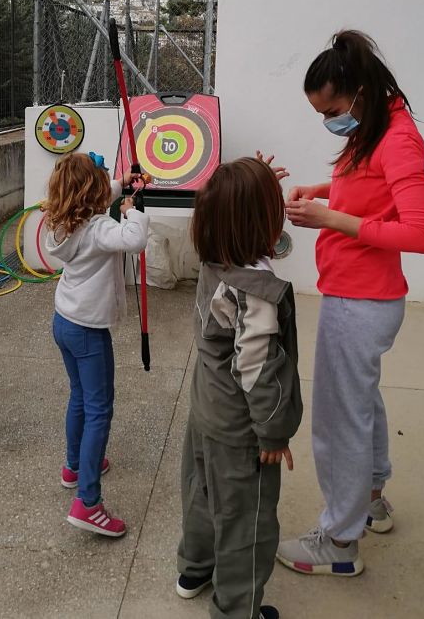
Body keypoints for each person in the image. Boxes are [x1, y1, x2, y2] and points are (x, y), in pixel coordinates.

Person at [276, 30, 424, 577]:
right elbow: (366, 187)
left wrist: (331, 220)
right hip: (359, 296)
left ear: (360, 92)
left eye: (334, 109)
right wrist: (320, 193)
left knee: (339, 421)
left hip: (360, 302)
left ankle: (340, 542)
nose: (329, 121)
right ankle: (370, 498)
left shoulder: (397, 138)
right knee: (361, 402)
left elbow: (420, 233)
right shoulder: (375, 128)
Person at [176, 157, 303, 619]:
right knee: (245, 522)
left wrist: (259, 179)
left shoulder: (215, 262)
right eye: (275, 207)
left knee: (200, 492)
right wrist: (272, 431)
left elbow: (236, 212)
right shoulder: (257, 293)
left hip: (205, 410)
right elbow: (257, 370)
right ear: (261, 223)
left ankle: (194, 568)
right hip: (240, 428)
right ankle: (236, 611)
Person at [44, 151, 149, 538]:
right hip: (88, 331)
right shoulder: (99, 227)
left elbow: (97, 202)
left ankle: (74, 466)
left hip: (65, 321)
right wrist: (133, 207)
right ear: (96, 192)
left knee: (80, 397)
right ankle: (87, 503)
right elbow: (133, 238)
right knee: (99, 410)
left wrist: (125, 181)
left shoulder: (64, 221)